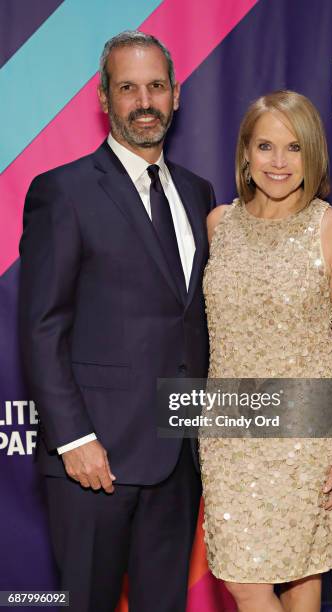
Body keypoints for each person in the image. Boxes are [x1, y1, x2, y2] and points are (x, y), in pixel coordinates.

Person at [19, 30, 215, 612]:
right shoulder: (64, 191)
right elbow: (41, 327)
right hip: (94, 460)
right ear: (104, 99)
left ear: (176, 95)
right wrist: (75, 439)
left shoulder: (200, 194)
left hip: (179, 458)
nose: (144, 100)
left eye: (156, 86)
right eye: (127, 88)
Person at [199, 90, 332, 612]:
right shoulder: (219, 224)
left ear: (312, 155)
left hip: (306, 433)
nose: (278, 162)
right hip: (229, 432)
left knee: (300, 572)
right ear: (245, 154)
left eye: (293, 148)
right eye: (266, 146)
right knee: (244, 577)